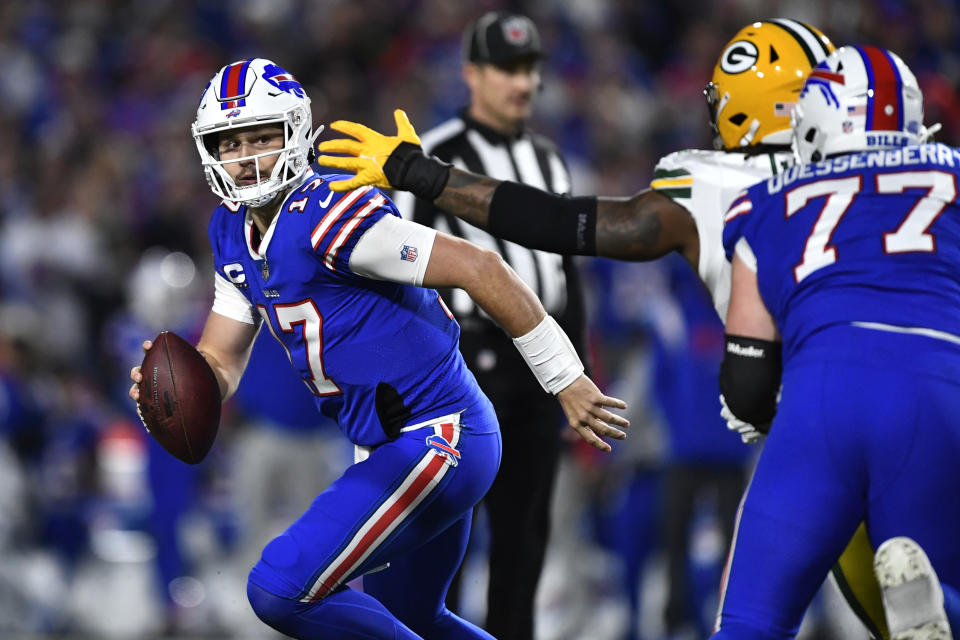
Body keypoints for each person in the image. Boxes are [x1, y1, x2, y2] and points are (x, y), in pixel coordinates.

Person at [316, 18, 897, 637]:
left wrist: (419, 172)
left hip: (816, 417)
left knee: (752, 618)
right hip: (924, 390)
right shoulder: (914, 174)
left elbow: (561, 226)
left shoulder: (715, 186)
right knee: (903, 602)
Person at [128, 57, 628, 639]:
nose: (246, 156)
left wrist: (563, 376)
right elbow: (221, 358)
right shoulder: (231, 230)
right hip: (392, 448)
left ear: (295, 134)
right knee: (416, 620)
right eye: (230, 142)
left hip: (440, 436)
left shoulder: (329, 214)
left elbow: (480, 267)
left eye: (262, 137)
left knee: (278, 589)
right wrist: (174, 390)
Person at [715, 45, 959, 639]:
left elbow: (746, 383)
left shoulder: (764, 201)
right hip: (940, 385)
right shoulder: (952, 171)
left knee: (749, 622)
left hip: (822, 392)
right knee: (932, 595)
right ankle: (941, 609)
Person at [390, 11, 589, 639]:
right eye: (506, 68)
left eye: (529, 68)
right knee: (441, 541)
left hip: (539, 367)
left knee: (525, 539)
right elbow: (398, 270)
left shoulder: (550, 159)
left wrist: (574, 377)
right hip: (465, 366)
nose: (521, 83)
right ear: (472, 73)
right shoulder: (435, 156)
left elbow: (564, 276)